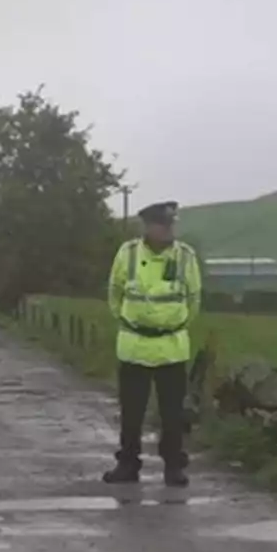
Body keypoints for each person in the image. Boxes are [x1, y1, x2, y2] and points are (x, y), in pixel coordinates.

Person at [103, 201, 202, 487]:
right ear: (148, 226)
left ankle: (173, 466)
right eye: (162, 224)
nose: (168, 229)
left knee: (172, 414)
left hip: (171, 347)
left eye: (171, 224)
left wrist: (174, 323)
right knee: (131, 413)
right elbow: (114, 293)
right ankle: (128, 464)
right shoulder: (128, 253)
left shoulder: (185, 256)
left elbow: (194, 299)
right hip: (134, 346)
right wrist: (130, 321)